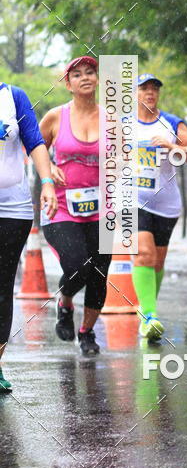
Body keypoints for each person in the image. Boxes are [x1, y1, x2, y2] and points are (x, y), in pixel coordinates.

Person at [39, 56, 112, 355]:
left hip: (102, 210)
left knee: (99, 273)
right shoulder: (55, 117)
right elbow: (34, 150)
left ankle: (87, 332)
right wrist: (48, 168)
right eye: (77, 74)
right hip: (61, 208)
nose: (85, 78)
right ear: (68, 84)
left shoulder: (112, 119)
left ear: (97, 79)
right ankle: (66, 302)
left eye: (90, 72)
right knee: (77, 265)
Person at [0, 80, 58, 391]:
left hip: (13, 208)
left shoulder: (14, 97)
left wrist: (47, 182)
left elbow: (35, 142)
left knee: (2, 286)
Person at [133, 73, 187, 341]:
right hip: (133, 200)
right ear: (135, 93)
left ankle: (146, 310)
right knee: (144, 254)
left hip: (165, 203)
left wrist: (171, 146)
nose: (150, 93)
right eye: (144, 88)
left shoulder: (171, 123)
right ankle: (149, 316)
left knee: (157, 261)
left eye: (154, 89)